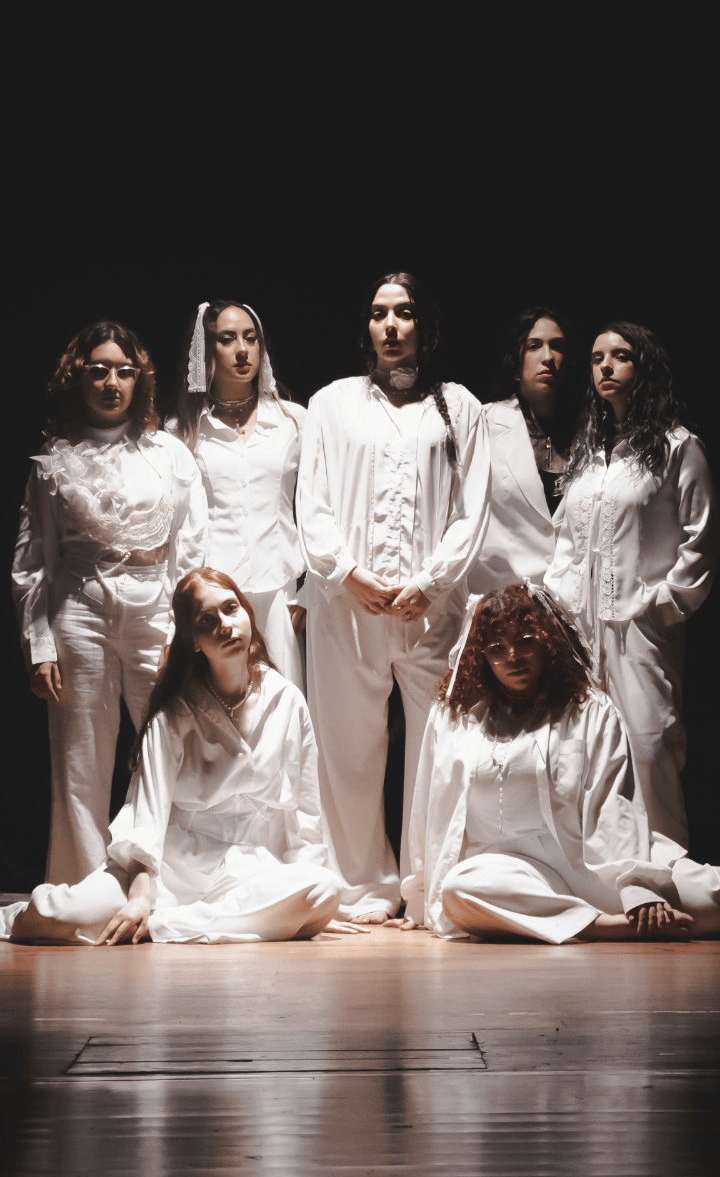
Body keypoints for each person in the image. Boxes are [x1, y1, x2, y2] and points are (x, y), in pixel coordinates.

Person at [1, 569, 359, 946]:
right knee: (57, 917)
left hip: (250, 871)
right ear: (192, 641)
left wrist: (312, 908)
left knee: (325, 888)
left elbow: (305, 812)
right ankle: (27, 915)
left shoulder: (287, 699)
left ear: (248, 613)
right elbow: (147, 817)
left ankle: (161, 926)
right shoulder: (173, 712)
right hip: (166, 867)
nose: (225, 625)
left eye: (231, 609)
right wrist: (140, 897)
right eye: (207, 621)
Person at [296, 271, 491, 922]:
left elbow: (472, 508)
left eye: (403, 312)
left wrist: (432, 583)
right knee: (347, 749)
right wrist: (347, 573)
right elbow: (313, 503)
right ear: (366, 326)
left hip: (430, 610)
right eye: (379, 313)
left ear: (423, 324)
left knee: (436, 747)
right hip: (347, 607)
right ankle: (358, 886)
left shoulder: (458, 405)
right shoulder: (331, 404)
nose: (390, 324)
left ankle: (428, 884)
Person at [389, 584, 719, 943]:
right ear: (480, 654)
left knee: (709, 901)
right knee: (459, 889)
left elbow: (614, 804)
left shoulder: (590, 710)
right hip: (509, 874)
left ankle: (610, 913)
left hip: (594, 863)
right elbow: (427, 808)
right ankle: (599, 927)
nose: (512, 656)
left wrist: (638, 889)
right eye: (496, 647)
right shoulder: (453, 718)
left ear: (547, 641)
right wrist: (418, 898)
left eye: (525, 641)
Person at [12, 321, 208, 887]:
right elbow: (33, 559)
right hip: (79, 612)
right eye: (98, 370)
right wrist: (39, 644)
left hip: (155, 609)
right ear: (78, 378)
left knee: (168, 744)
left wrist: (181, 632)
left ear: (139, 379)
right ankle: (84, 890)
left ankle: (167, 884)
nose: (111, 382)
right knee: (81, 760)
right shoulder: (55, 460)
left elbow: (192, 547)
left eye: (124, 371)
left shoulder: (167, 453)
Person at [545, 323, 718, 846]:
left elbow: (701, 534)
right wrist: (559, 606)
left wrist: (662, 607)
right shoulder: (588, 455)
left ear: (643, 366)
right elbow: (566, 539)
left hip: (640, 627)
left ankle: (666, 869)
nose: (606, 366)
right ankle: (600, 872)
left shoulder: (677, 447)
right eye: (597, 357)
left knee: (649, 744)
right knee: (585, 750)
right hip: (581, 629)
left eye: (620, 356)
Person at [171, 299, 307, 690]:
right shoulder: (181, 431)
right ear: (207, 349)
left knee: (282, 699)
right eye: (227, 339)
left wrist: (309, 594)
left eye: (251, 337)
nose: (242, 349)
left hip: (280, 589)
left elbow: (319, 505)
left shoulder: (294, 421)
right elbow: (178, 524)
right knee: (221, 702)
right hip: (213, 592)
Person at [468, 306, 580, 595]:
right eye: (534, 346)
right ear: (515, 358)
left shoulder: (589, 434)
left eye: (557, 346)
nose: (547, 357)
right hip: (501, 598)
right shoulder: (483, 423)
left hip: (570, 600)